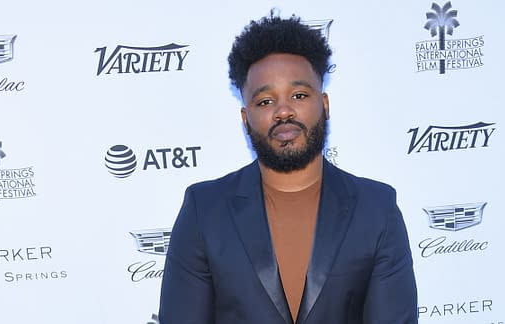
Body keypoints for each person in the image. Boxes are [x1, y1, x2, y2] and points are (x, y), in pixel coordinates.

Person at [159, 12, 418, 324]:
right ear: (245, 118)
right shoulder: (204, 210)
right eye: (265, 101)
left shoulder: (377, 208)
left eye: (298, 95)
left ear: (324, 105)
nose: (283, 111)